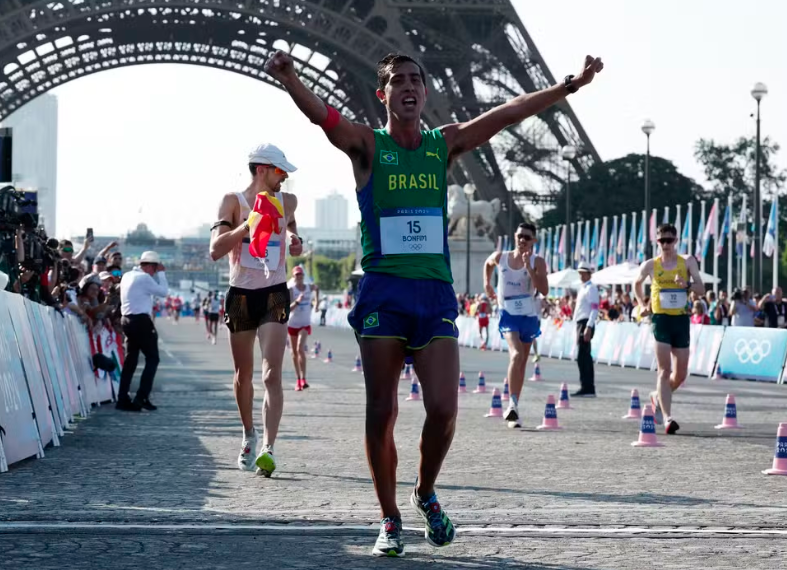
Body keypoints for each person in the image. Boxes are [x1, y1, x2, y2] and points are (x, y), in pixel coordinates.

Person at [265, 46, 602, 556]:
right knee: (381, 412)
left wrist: (567, 88)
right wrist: (290, 77)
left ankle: (424, 492)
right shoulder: (367, 146)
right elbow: (324, 118)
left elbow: (505, 114)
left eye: (415, 80)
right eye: (397, 80)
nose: (407, 86)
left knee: (444, 408)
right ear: (383, 95)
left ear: (424, 93)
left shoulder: (442, 145)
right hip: (384, 292)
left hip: (433, 295)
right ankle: (389, 518)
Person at [209, 143, 303, 477]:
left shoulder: (287, 201)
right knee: (243, 375)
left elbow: (291, 227)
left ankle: (269, 447)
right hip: (241, 294)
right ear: (262, 169)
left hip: (275, 292)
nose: (285, 177)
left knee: (271, 373)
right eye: (280, 171)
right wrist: (246, 226)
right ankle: (249, 433)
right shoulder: (233, 201)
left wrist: (295, 240)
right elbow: (215, 250)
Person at [634, 224, 704, 435]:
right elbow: (636, 284)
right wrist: (642, 304)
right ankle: (667, 418)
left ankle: (657, 397)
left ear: (676, 241)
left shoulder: (688, 261)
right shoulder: (651, 265)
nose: (665, 244)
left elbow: (701, 289)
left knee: (680, 374)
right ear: (657, 242)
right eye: (661, 240)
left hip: (681, 320)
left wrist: (686, 285)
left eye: (669, 240)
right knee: (664, 371)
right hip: (661, 320)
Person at [483, 223, 548, 428]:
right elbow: (488, 263)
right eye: (520, 236)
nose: (522, 240)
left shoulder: (538, 261)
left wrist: (530, 269)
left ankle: (514, 407)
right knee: (516, 355)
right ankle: (511, 404)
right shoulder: (501, 256)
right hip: (508, 312)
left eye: (527, 237)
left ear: (533, 241)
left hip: (528, 314)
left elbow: (544, 290)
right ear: (515, 236)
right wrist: (487, 283)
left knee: (521, 364)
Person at [117, 251, 168, 412]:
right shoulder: (144, 278)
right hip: (140, 320)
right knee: (153, 358)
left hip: (126, 319)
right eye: (155, 268)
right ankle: (141, 397)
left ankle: (122, 398)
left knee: (130, 360)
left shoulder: (127, 275)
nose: (155, 272)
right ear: (150, 266)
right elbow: (164, 292)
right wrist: (162, 274)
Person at [288, 265, 319, 390]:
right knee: (294, 353)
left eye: (300, 275)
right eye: (296, 275)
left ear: (303, 276)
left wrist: (317, 302)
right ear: (293, 276)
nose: (299, 277)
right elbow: (288, 308)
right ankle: (298, 379)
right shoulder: (291, 290)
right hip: (292, 324)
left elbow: (317, 288)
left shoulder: (308, 288)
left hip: (304, 324)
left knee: (300, 348)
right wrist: (297, 301)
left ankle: (304, 378)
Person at [572, 261, 599, 397]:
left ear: (589, 274)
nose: (581, 275)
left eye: (584, 273)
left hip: (585, 323)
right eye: (580, 273)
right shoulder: (582, 288)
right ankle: (586, 386)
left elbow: (594, 309)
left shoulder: (591, 288)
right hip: (580, 322)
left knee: (584, 356)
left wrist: (589, 326)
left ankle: (588, 387)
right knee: (582, 356)